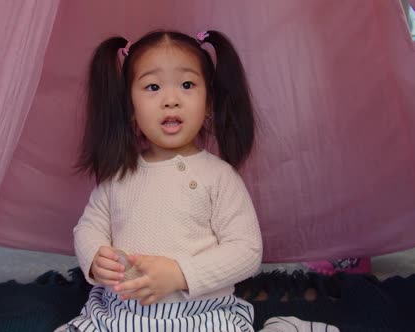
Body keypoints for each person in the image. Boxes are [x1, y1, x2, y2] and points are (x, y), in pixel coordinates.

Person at [55, 29, 263, 332]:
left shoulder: (218, 177)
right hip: (119, 314)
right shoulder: (119, 175)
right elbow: (89, 226)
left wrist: (180, 273)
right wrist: (95, 258)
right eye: (152, 87)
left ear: (208, 103)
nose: (171, 100)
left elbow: (247, 251)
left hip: (200, 315)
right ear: (130, 107)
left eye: (187, 85)